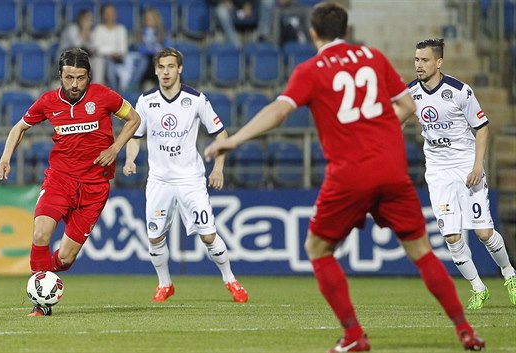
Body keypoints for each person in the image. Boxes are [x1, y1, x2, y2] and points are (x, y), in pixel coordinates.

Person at [204, 2, 484, 352]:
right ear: (347, 31)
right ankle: (465, 331)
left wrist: (233, 140)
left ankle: (354, 335)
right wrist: (379, 134)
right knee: (422, 251)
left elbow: (279, 111)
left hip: (350, 174)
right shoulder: (373, 57)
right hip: (392, 168)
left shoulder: (311, 69)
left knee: (317, 249)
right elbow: (409, 107)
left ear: (313, 33)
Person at [0, 48, 141, 317]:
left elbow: (134, 119)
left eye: (80, 78)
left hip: (95, 187)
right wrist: (5, 159)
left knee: (66, 258)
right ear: (60, 75)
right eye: (69, 77)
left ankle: (41, 275)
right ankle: (41, 301)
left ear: (88, 76)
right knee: (40, 234)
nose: (74, 84)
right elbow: (18, 128)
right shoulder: (48, 102)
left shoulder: (104, 96)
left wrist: (116, 148)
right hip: (60, 179)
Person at [122, 47, 248, 304]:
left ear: (179, 69)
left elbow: (221, 134)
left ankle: (230, 279)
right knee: (155, 236)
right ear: (155, 70)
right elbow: (135, 136)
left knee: (208, 234)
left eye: (170, 66)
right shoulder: (146, 101)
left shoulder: (196, 99)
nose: (165, 72)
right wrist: (130, 159)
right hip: (158, 180)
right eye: (161, 67)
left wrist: (218, 168)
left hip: (190, 179)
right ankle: (165, 284)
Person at [405, 38, 516, 309]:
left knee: (483, 232)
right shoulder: (410, 94)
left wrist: (478, 166)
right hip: (438, 171)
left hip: (467, 165)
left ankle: (509, 274)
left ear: (439, 62)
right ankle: (478, 288)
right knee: (451, 236)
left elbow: (482, 127)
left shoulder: (459, 91)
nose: (419, 65)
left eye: (425, 60)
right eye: (417, 60)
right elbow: (394, 121)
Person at [90, 3, 136, 92]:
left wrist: (113, 52)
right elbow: (97, 48)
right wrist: (111, 52)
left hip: (119, 59)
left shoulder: (121, 29)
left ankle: (130, 86)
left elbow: (123, 49)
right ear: (103, 15)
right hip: (104, 60)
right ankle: (115, 91)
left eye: (112, 13)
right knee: (109, 63)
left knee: (140, 61)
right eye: (108, 13)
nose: (111, 16)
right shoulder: (98, 30)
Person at [207, 0, 276, 47]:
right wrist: (223, 1)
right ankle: (235, 44)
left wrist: (247, 3)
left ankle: (262, 36)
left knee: (268, 1)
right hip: (226, 9)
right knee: (221, 11)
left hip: (244, 7)